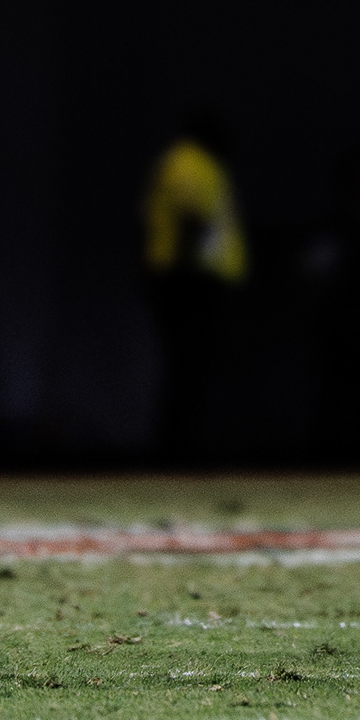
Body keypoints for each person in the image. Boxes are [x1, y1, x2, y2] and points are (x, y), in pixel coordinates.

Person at [142, 108, 248, 465]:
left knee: (192, 372)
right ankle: (181, 456)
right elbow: (191, 221)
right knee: (190, 372)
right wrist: (189, 280)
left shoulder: (193, 163)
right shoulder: (189, 162)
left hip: (190, 283)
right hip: (190, 284)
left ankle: (184, 451)